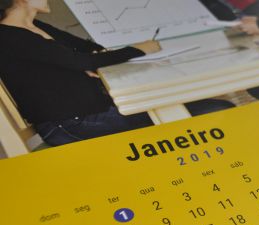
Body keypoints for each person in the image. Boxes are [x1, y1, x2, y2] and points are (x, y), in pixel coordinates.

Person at [0, 0, 233, 146]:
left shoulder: (37, 26)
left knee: (208, 106)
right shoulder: (9, 37)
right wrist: (139, 49)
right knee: (215, 109)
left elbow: (87, 49)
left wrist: (88, 61)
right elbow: (82, 60)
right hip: (71, 124)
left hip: (95, 111)